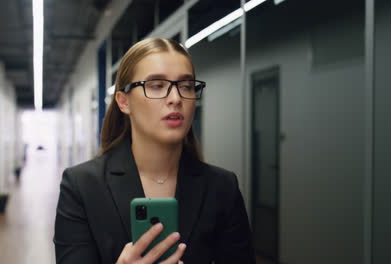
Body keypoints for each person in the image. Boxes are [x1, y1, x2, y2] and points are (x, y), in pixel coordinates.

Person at [54, 37, 255, 264]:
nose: (176, 98)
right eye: (157, 86)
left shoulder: (222, 187)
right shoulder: (82, 185)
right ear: (123, 102)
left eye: (186, 86)